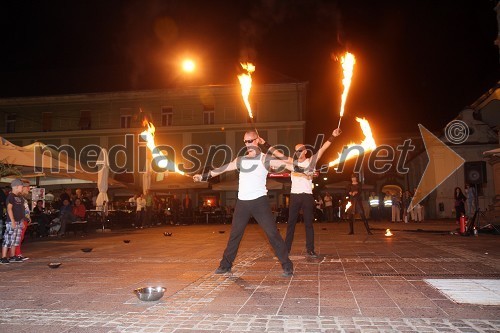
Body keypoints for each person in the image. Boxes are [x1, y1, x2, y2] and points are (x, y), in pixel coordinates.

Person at [193, 130, 294, 277]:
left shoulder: (266, 158)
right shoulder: (241, 160)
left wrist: (303, 170)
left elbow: (289, 164)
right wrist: (203, 176)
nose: (247, 144)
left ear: (257, 140)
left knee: (272, 233)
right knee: (235, 234)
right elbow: (222, 169)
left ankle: (287, 265)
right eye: (245, 141)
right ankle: (225, 265)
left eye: (250, 141)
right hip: (242, 202)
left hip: (260, 201)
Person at [275, 128, 341, 257]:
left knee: (308, 224)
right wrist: (263, 143)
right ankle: (286, 249)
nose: (298, 152)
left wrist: (332, 136)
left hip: (306, 196)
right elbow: (277, 154)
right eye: (296, 150)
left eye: (300, 150)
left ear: (305, 151)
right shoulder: (292, 163)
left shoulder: (311, 161)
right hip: (294, 196)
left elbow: (322, 149)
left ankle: (310, 249)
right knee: (291, 223)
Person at [1, 179, 25, 264]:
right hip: (12, 222)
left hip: (19, 221)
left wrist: (22, 221)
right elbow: (9, 208)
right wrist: (12, 221)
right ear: (17, 187)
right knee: (8, 239)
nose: (22, 188)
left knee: (15, 240)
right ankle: (3, 257)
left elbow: (21, 210)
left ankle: (12, 256)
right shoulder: (11, 196)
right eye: (22, 186)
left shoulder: (20, 197)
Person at [14, 180, 31, 260]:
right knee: (19, 237)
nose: (29, 189)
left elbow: (24, 209)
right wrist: (22, 220)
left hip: (24, 219)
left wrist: (28, 218)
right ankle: (16, 254)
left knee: (20, 237)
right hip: (21, 220)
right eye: (27, 187)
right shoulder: (18, 197)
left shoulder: (21, 197)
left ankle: (16, 254)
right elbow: (18, 210)